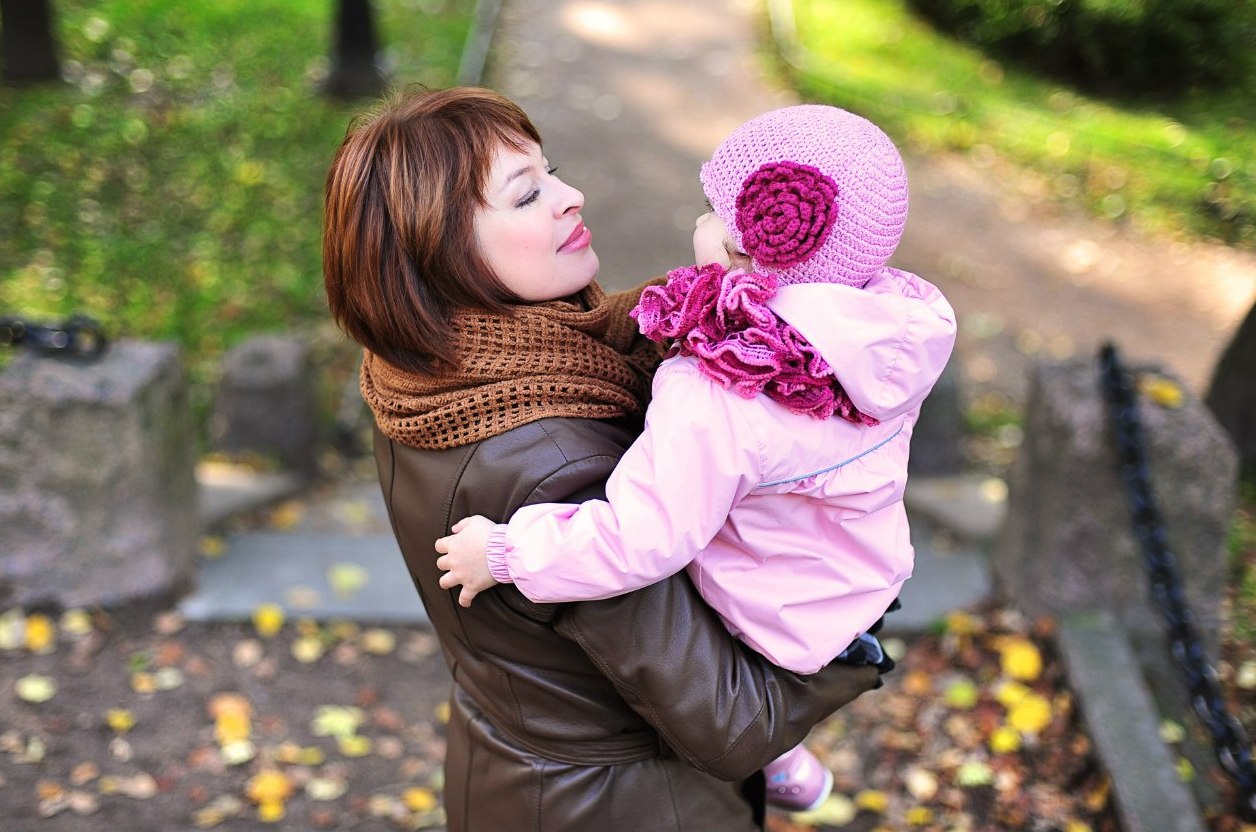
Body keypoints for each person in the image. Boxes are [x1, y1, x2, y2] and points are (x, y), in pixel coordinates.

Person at [322, 86, 883, 832]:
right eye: (527, 196)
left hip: (513, 773)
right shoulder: (559, 464)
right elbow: (729, 722)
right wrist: (858, 638)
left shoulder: (419, 374)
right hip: (630, 808)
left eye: (551, 172)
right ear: (438, 253)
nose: (571, 195)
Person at [435, 103, 958, 811]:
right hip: (855, 579)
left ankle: (778, 752)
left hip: (773, 613)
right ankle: (794, 758)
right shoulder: (887, 326)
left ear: (747, 247)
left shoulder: (722, 391)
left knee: (727, 621)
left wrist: (505, 552)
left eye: (711, 210)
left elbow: (642, 536)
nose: (700, 225)